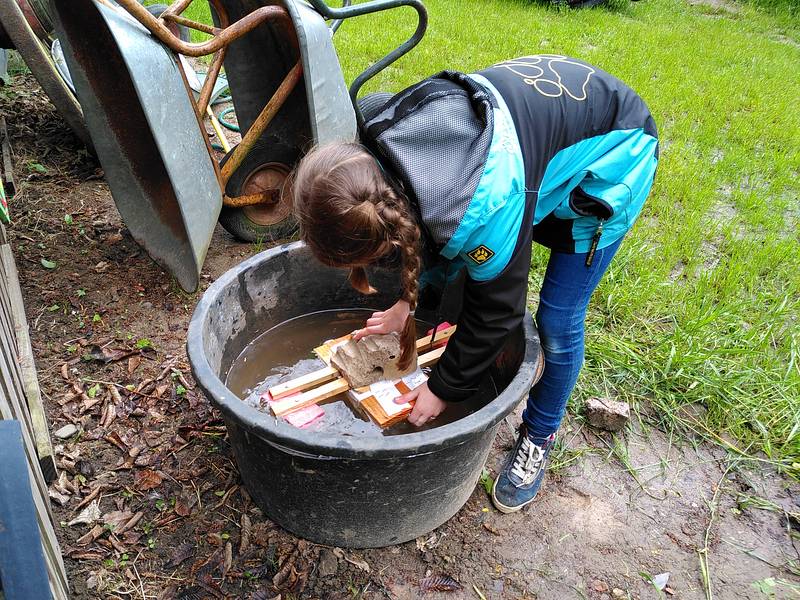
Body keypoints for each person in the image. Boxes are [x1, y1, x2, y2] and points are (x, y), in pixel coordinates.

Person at [291, 54, 658, 513]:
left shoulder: (485, 205)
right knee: (469, 259)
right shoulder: (378, 168)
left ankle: (539, 435)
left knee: (558, 322)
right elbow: (419, 232)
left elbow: (498, 312)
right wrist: (407, 304)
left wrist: (444, 388)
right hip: (537, 124)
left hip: (614, 157)